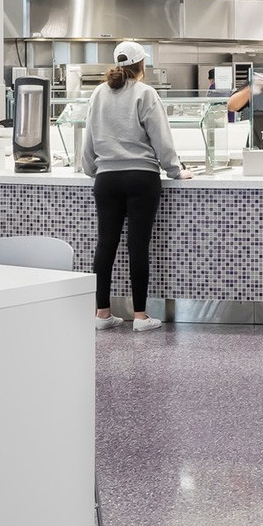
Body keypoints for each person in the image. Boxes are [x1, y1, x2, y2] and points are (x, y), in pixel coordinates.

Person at [79, 41, 191, 332]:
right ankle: (140, 317)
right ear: (142, 66)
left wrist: (92, 169)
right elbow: (162, 140)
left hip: (107, 179)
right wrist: (176, 171)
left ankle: (102, 313)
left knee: (105, 244)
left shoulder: (98, 93)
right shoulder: (146, 93)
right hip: (141, 177)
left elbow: (88, 138)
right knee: (137, 245)